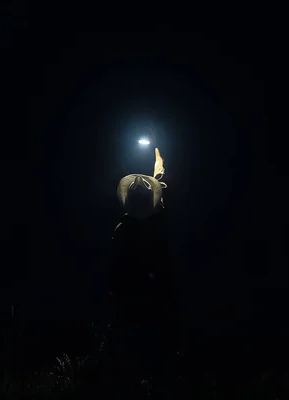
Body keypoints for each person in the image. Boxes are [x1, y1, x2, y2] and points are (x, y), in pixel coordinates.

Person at [106, 148, 179, 394]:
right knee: (153, 364)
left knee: (127, 365)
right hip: (151, 303)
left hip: (129, 304)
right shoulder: (155, 229)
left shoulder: (123, 229)